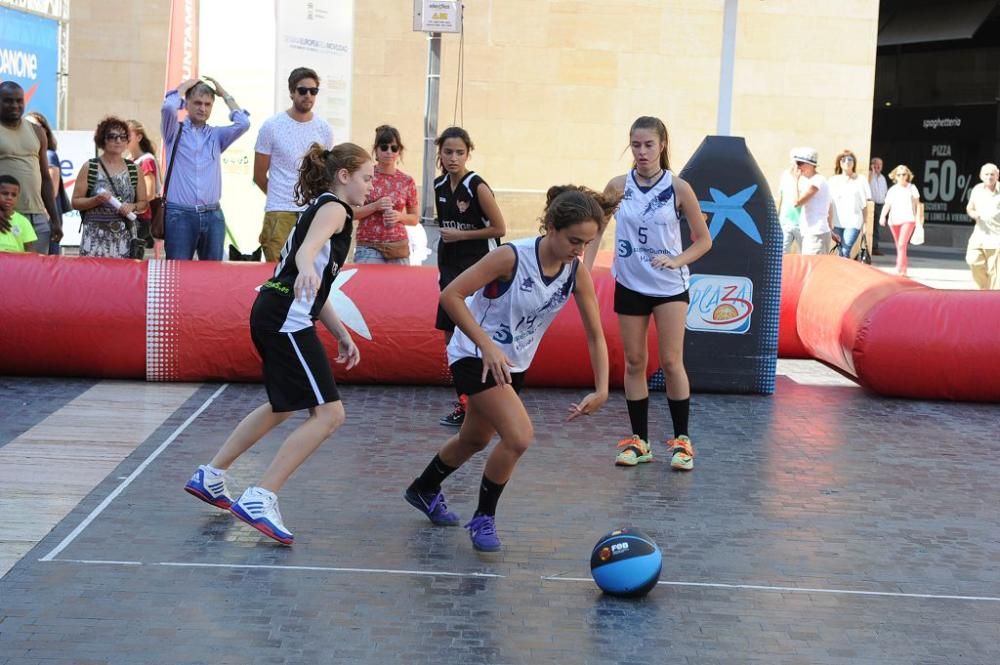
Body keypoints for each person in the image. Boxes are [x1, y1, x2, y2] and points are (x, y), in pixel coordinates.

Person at [404, 185, 614, 552]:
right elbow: (450, 296)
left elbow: (596, 335)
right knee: (518, 437)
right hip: (474, 353)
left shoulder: (574, 272)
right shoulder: (509, 257)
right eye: (574, 241)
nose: (579, 251)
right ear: (550, 227)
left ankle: (422, 488)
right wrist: (485, 345)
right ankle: (484, 517)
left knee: (475, 439)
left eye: (586, 243)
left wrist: (602, 388)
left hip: (513, 364)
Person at [183, 143, 370, 545]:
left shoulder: (327, 207)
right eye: (366, 177)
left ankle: (212, 475)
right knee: (330, 415)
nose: (370, 186)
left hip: (274, 310)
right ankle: (261, 496)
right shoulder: (335, 209)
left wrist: (340, 332)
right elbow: (306, 254)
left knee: (283, 405)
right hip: (284, 316)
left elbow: (315, 284)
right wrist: (304, 270)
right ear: (344, 176)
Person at [584, 116, 712, 471]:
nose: (642, 152)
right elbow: (595, 230)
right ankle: (639, 441)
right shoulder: (617, 186)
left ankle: (682, 441)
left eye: (648, 145)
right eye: (636, 145)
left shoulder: (678, 187)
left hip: (669, 288)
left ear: (663, 145)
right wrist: (584, 267)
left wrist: (677, 260)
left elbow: (704, 241)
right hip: (629, 282)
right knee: (634, 362)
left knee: (671, 362)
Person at [432, 127, 507, 427]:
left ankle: (486, 401)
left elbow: (499, 229)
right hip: (450, 268)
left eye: (459, 153)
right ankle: (464, 401)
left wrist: (462, 235)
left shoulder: (477, 185)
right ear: (440, 153)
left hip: (479, 266)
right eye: (448, 152)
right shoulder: (438, 186)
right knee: (450, 336)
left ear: (468, 154)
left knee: (475, 334)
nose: (453, 158)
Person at [161, 77, 249, 260]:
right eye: (198, 103)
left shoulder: (216, 135)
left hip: (213, 214)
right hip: (180, 214)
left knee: (213, 276)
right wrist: (185, 86)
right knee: (178, 273)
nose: (203, 108)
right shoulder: (173, 130)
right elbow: (168, 108)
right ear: (186, 104)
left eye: (208, 104)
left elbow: (243, 124)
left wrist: (224, 94)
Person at [254, 67, 334, 262]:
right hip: (279, 212)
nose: (308, 95)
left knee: (311, 274)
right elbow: (258, 176)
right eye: (302, 90)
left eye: (313, 91)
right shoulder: (271, 126)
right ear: (291, 92)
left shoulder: (324, 128)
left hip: (313, 212)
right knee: (278, 276)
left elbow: (326, 174)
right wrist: (282, 197)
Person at [71, 117, 149, 258]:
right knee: (92, 277)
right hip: (94, 238)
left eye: (123, 137)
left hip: (124, 238)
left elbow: (144, 203)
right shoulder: (90, 167)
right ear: (103, 140)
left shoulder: (134, 169)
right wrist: (96, 200)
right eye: (112, 136)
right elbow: (75, 202)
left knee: (122, 278)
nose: (118, 140)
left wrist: (132, 206)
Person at [0, 81, 61, 254]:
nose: (15, 105)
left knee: (36, 276)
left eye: (19, 101)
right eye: (8, 100)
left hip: (37, 218)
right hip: (5, 216)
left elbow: (46, 178)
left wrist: (55, 219)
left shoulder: (37, 131)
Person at [353, 125, 420, 265]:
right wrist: (374, 206)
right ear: (376, 150)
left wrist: (400, 216)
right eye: (384, 147)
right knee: (368, 286)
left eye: (394, 148)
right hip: (369, 245)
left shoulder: (407, 181)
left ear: (399, 151)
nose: (389, 152)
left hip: (398, 245)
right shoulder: (365, 175)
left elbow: (414, 219)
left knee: (399, 286)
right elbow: (350, 213)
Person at [25, 112, 69, 255]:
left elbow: (52, 190)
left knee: (44, 263)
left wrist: (46, 218)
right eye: (27, 126)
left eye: (35, 126)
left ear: (44, 130)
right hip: (34, 217)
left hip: (44, 216)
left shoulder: (49, 155)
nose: (30, 130)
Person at [126, 119, 163, 258]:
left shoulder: (146, 161)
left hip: (140, 219)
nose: (123, 138)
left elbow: (149, 194)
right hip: (130, 217)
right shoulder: (129, 159)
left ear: (139, 137)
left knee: (133, 262)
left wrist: (130, 205)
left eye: (128, 134)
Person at [790, 147, 833, 255]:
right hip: (812, 233)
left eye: (799, 163)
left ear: (809, 164)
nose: (797, 167)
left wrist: (795, 180)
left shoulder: (817, 181)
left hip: (816, 233)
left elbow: (796, 203)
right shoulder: (812, 181)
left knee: (813, 269)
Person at [879, 164, 920, 276]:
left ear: (908, 175)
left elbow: (918, 205)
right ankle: (904, 269)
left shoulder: (912, 188)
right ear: (895, 176)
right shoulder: (892, 190)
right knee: (900, 246)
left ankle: (899, 267)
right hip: (894, 220)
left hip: (908, 219)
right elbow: (887, 204)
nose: (902, 176)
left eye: (904, 174)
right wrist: (882, 216)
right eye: (899, 174)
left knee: (902, 244)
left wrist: (919, 218)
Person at [829, 149, 871, 258]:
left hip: (853, 221)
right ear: (839, 162)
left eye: (850, 159)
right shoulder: (833, 180)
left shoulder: (861, 180)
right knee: (840, 250)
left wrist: (866, 224)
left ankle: (842, 273)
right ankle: (842, 273)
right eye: (843, 160)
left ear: (854, 163)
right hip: (836, 222)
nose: (846, 162)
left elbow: (864, 205)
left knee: (845, 248)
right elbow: (828, 203)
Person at [965, 162, 1000, 290]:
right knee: (972, 261)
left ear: (997, 176)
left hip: (997, 239)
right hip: (979, 236)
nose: (989, 176)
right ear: (981, 176)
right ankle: (985, 290)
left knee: (995, 274)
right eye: (986, 174)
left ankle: (991, 301)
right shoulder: (977, 189)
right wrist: (973, 214)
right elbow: (970, 207)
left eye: (992, 174)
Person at [0, 174, 36, 253]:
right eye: (5, 193)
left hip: (16, 264)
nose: (9, 197)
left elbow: (29, 249)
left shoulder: (23, 221)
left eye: (14, 195)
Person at [776, 152, 803, 254]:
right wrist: (777, 217)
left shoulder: (805, 177)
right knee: (782, 252)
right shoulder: (785, 175)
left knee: (804, 253)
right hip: (785, 221)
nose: (796, 163)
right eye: (794, 160)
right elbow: (780, 197)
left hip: (802, 223)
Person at [868, 157, 888, 255]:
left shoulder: (883, 178)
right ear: (872, 164)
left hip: (880, 205)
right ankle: (869, 247)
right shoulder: (869, 175)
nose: (878, 166)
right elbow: (866, 184)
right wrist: (872, 172)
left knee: (876, 228)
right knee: (870, 227)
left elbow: (885, 192)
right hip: (871, 204)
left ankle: (875, 247)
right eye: (876, 164)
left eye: (880, 164)